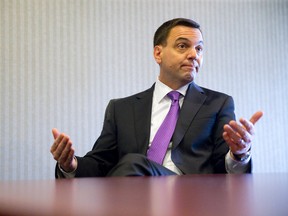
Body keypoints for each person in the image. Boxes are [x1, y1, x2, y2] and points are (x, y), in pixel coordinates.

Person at [50, 18, 263, 178]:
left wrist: (239, 154)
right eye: (183, 46)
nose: (193, 55)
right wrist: (71, 165)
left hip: (192, 195)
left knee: (132, 163)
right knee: (131, 165)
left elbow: (224, 169)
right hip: (134, 187)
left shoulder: (218, 104)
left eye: (199, 49)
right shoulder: (121, 109)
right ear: (158, 54)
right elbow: (102, 162)